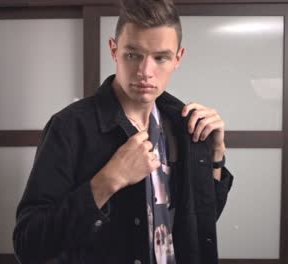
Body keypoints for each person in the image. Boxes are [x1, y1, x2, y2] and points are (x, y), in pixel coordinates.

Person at [13, 0, 233, 263]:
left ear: (178, 58)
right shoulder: (70, 127)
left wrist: (216, 155)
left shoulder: (184, 123)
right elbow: (28, 244)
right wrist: (107, 181)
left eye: (160, 57)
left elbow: (199, 224)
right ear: (114, 50)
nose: (145, 72)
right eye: (133, 55)